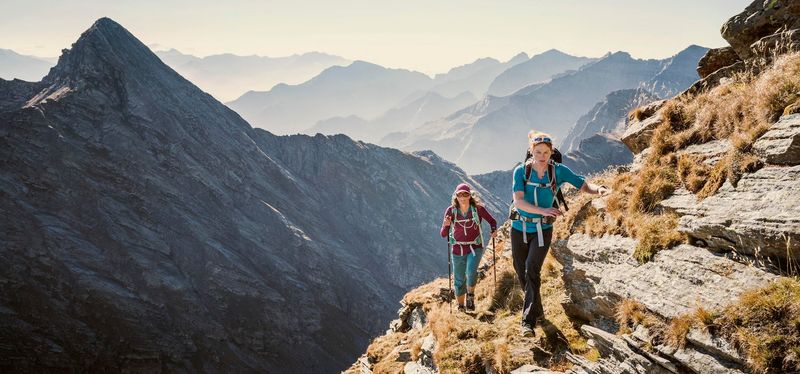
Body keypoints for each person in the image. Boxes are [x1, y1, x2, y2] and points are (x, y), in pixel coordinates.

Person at [511, 131, 610, 337]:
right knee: (521, 272)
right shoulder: (520, 172)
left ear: (551, 152)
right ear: (531, 151)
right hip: (519, 228)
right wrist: (543, 210)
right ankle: (538, 312)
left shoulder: (558, 171)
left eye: (546, 152)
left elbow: (582, 184)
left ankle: (527, 323)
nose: (542, 156)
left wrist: (599, 189)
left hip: (543, 230)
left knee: (531, 269)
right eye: (538, 151)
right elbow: (519, 201)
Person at [440, 183, 497, 312]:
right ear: (456, 196)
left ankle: (470, 296)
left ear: (469, 195)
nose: (463, 197)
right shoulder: (451, 211)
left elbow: (492, 221)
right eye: (460, 194)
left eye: (465, 194)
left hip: (475, 246)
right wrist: (445, 225)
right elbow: (443, 234)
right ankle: (460, 306)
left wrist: (493, 230)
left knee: (471, 272)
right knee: (459, 279)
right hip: (457, 249)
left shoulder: (478, 209)